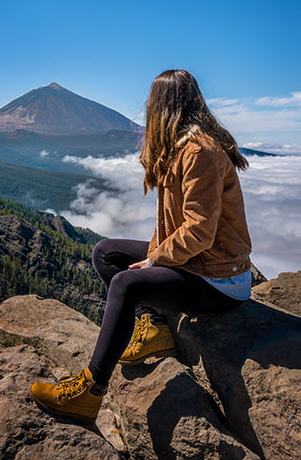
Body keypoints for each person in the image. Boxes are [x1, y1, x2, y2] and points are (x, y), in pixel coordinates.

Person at [29, 68, 252, 425]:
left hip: (220, 279)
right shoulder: (179, 148)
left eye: (152, 100)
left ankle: (90, 391)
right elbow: (170, 225)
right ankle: (155, 328)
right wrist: (155, 253)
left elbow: (199, 232)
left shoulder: (199, 153)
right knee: (105, 253)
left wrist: (153, 260)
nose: (147, 106)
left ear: (164, 105)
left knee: (125, 283)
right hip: (198, 264)